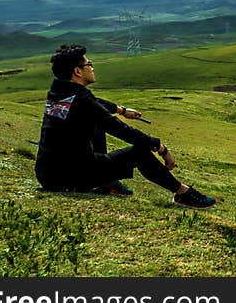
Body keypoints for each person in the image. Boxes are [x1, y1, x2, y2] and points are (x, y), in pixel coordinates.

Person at [35, 44, 215, 208]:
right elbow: (121, 130)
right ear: (78, 71)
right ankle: (182, 192)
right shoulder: (82, 100)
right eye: (89, 64)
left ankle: (104, 182)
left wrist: (121, 110)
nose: (92, 67)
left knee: (96, 126)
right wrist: (159, 147)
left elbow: (95, 103)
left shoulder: (59, 92)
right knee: (140, 152)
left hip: (48, 174)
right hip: (72, 177)